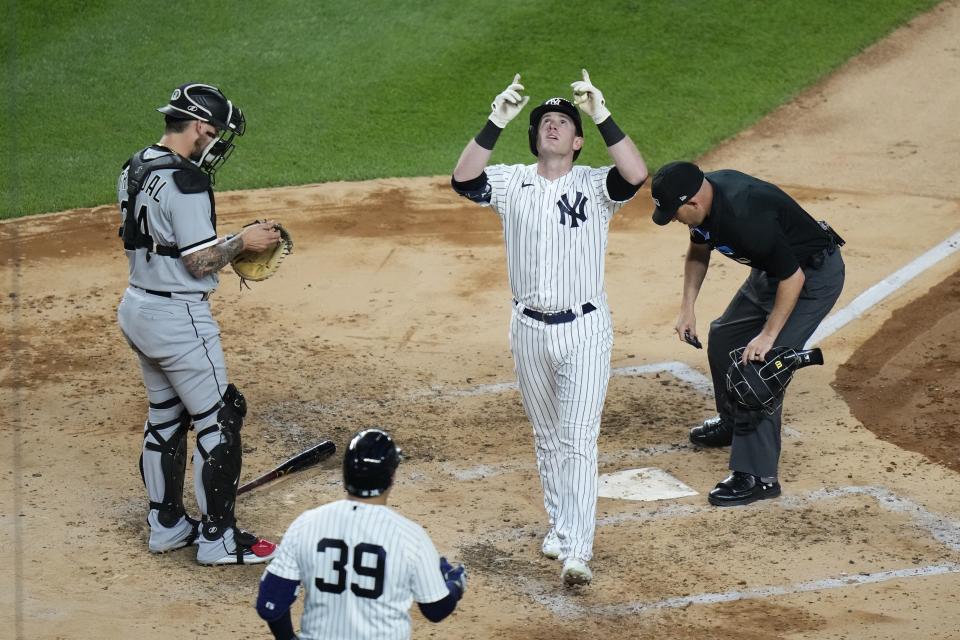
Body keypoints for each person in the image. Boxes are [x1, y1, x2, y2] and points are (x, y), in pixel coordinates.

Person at [450, 70, 648, 585]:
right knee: (547, 438)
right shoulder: (511, 180)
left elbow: (635, 174)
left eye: (563, 122)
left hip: (584, 329)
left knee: (578, 437)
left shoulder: (595, 185)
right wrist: (496, 120)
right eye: (546, 123)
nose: (553, 127)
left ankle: (577, 551)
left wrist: (602, 114)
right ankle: (561, 527)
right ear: (535, 136)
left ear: (578, 141)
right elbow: (464, 179)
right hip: (529, 330)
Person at [116, 82, 282, 564]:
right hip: (178, 319)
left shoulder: (136, 164)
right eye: (218, 135)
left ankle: (166, 525)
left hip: (139, 306)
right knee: (220, 419)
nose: (218, 144)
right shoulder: (188, 181)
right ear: (201, 128)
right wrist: (242, 242)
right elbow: (199, 262)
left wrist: (224, 242)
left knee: (166, 416)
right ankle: (218, 539)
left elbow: (163, 242)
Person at [650, 161, 845, 506]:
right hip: (773, 273)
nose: (674, 219)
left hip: (811, 277)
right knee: (724, 336)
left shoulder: (745, 216)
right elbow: (699, 248)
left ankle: (758, 476)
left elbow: (794, 279)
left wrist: (768, 337)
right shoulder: (705, 201)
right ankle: (732, 421)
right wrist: (687, 307)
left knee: (762, 370)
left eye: (675, 212)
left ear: (694, 202)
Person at [256, 429, 466, 640]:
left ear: (345, 474)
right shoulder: (410, 537)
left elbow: (270, 605)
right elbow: (436, 610)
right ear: (391, 478)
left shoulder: (307, 524)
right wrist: (454, 585)